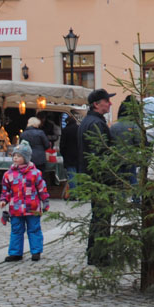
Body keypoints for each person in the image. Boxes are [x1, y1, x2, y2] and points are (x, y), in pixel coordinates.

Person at [79, 88, 114, 265]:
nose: (110, 104)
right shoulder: (95, 124)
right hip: (101, 179)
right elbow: (99, 153)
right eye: (107, 101)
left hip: (96, 178)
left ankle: (95, 254)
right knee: (101, 217)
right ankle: (99, 256)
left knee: (99, 216)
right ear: (96, 104)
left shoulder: (91, 121)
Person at [0, 140, 50, 261]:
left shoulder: (35, 173)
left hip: (32, 207)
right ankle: (15, 252)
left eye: (19, 156)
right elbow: (5, 190)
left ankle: (36, 251)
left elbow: (42, 188)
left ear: (26, 158)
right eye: (14, 156)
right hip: (16, 208)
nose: (15, 158)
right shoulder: (8, 175)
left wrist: (45, 201)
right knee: (16, 230)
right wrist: (3, 200)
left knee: (34, 229)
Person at [59, 112, 81, 197]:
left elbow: (62, 145)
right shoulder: (79, 129)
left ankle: (73, 194)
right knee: (79, 175)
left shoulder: (65, 130)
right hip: (79, 155)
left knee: (71, 175)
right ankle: (80, 194)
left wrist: (63, 154)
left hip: (69, 156)